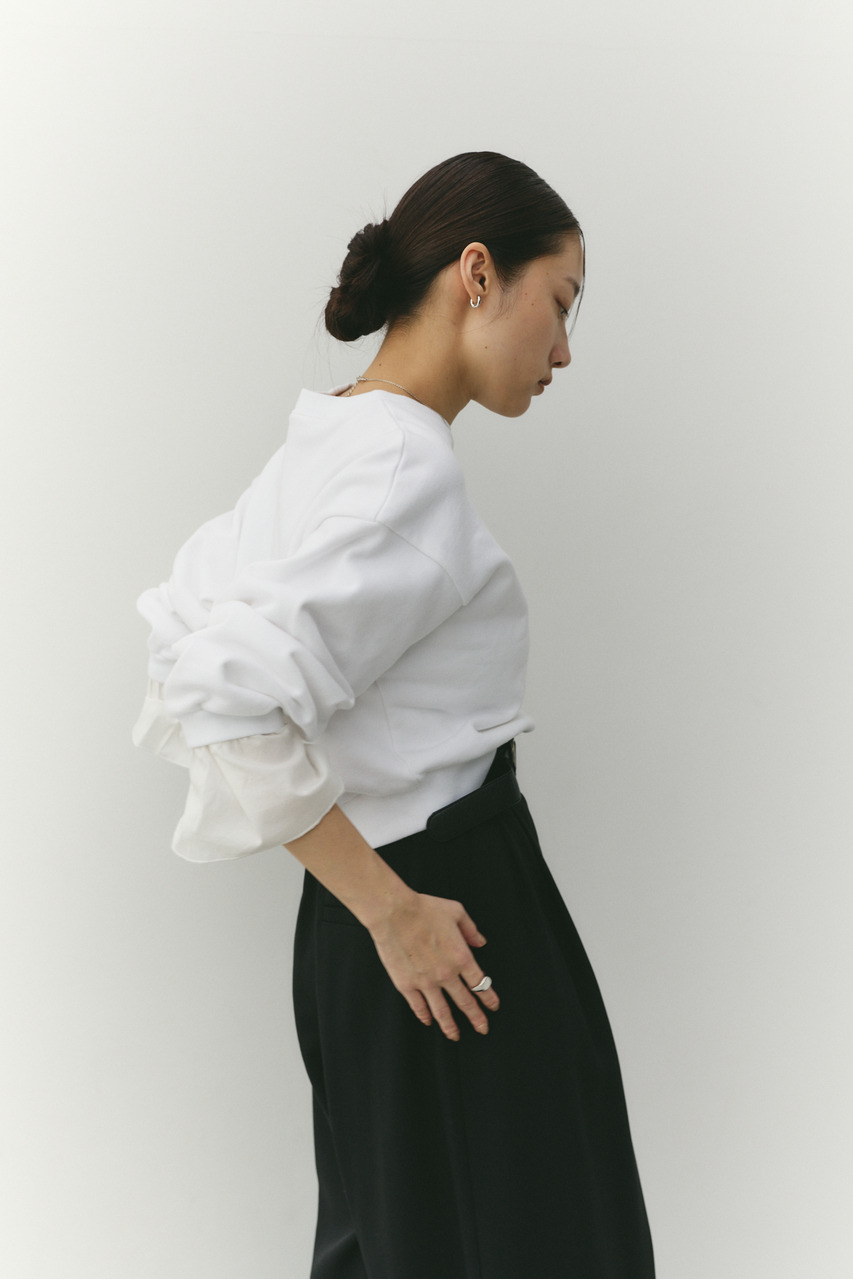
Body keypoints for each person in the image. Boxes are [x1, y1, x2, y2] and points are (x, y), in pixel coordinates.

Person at [132, 151, 655, 1279]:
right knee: (536, 1244)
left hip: (373, 925)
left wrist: (369, 910)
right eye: (560, 302)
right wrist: (392, 910)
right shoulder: (399, 473)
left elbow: (182, 644)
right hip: (442, 912)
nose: (564, 350)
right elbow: (225, 698)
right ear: (478, 273)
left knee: (403, 1242)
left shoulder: (326, 443)